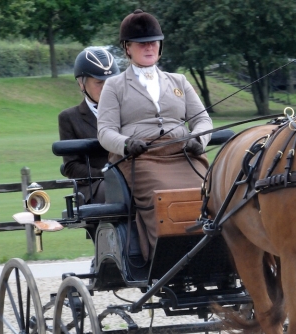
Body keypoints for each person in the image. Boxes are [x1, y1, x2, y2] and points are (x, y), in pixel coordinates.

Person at [97, 9, 212, 261]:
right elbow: (105, 131)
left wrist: (198, 140)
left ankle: (215, 249)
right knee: (164, 193)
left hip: (183, 153)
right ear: (127, 48)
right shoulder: (114, 86)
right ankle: (167, 256)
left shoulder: (179, 81)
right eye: (141, 44)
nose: (149, 48)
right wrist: (127, 145)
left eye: (153, 42)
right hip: (141, 158)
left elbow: (202, 119)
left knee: (212, 189)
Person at [58, 47, 120, 205]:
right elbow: (71, 166)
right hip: (92, 186)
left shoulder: (128, 110)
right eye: (99, 82)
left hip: (130, 178)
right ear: (81, 84)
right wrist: (107, 174)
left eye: (110, 82)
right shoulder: (70, 118)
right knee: (115, 189)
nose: (106, 88)